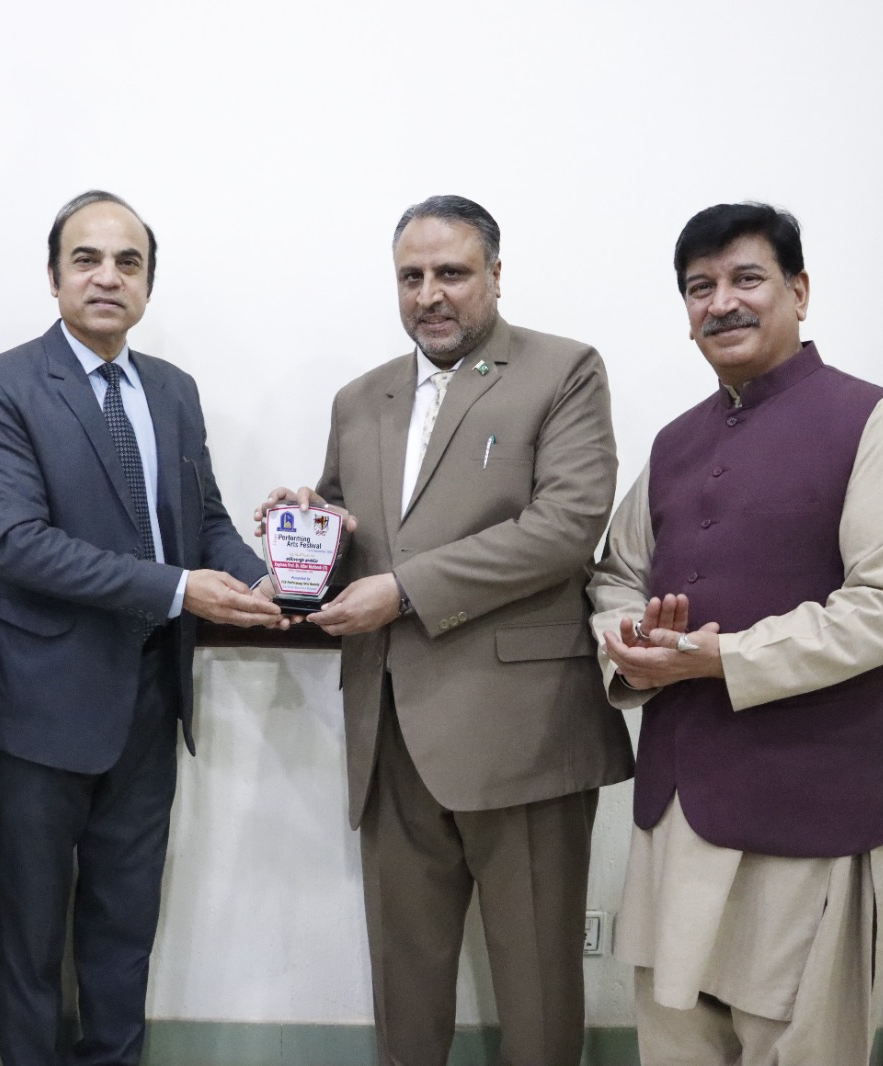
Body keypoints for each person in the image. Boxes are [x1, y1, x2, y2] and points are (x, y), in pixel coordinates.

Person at [259, 194, 633, 1066]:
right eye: (411, 276)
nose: (429, 294)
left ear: (496, 275)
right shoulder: (362, 399)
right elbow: (356, 539)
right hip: (387, 730)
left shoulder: (564, 369)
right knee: (405, 990)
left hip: (523, 731)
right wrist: (307, 529)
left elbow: (566, 527)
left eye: (452, 273)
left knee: (537, 991)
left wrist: (402, 591)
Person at [587, 203, 883, 1065]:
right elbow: (615, 574)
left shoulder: (872, 421)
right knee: (675, 1046)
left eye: (746, 279)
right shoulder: (675, 442)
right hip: (674, 818)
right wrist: (628, 643)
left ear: (799, 291)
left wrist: (725, 658)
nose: (721, 303)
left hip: (802, 813)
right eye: (699, 287)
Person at [0, 190, 284, 1066]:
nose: (108, 277)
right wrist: (179, 589)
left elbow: (203, 520)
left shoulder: (172, 390)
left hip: (149, 697)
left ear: (148, 283)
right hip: (38, 707)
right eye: (87, 259)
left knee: (125, 925)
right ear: (54, 275)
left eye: (127, 262)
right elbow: (21, 544)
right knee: (29, 937)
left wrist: (270, 580)